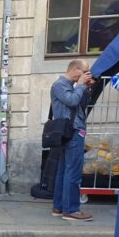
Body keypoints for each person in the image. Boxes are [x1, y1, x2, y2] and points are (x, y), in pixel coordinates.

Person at [51, 59, 95, 221]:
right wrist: (82, 85)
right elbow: (71, 101)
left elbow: (80, 106)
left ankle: (59, 207)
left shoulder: (70, 86)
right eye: (85, 72)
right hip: (73, 132)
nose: (86, 75)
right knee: (73, 171)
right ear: (76, 70)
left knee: (64, 170)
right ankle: (71, 210)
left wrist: (87, 88)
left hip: (71, 131)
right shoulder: (60, 85)